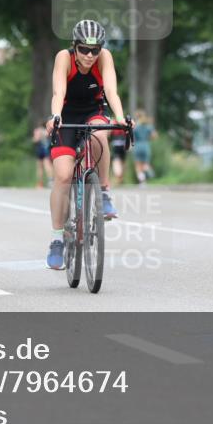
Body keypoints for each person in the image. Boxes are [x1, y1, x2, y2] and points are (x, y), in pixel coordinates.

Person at [45, 20, 128, 270]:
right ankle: (57, 239)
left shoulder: (104, 57)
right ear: (75, 46)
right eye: (84, 49)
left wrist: (121, 118)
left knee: (100, 135)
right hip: (66, 115)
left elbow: (111, 91)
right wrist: (55, 116)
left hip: (93, 111)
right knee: (63, 176)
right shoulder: (64, 58)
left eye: (95, 50)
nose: (90, 55)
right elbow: (58, 92)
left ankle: (103, 191)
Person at [132, 111, 157, 186]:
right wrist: (147, 138)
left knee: (138, 166)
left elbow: (132, 138)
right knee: (145, 164)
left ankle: (142, 182)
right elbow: (154, 136)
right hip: (146, 146)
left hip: (137, 146)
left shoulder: (135, 126)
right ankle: (148, 170)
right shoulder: (148, 126)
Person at [109, 119, 128, 187]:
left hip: (116, 144)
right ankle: (120, 178)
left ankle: (118, 176)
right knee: (123, 161)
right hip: (124, 144)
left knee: (116, 161)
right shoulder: (124, 122)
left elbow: (109, 134)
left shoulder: (113, 122)